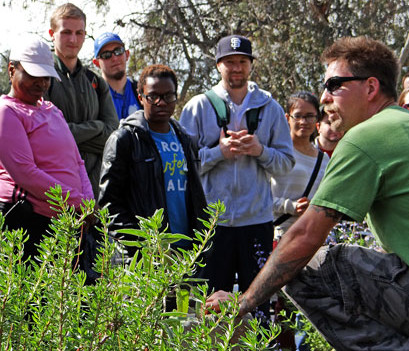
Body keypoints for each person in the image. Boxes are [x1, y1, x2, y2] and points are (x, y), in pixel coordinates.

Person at [207, 36, 409, 350]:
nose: (324, 97)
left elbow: (306, 236)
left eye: (334, 84)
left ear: (371, 88)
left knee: (306, 263)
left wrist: (245, 302)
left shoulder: (367, 136)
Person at [180, 34, 295, 320]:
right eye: (229, 62)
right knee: (205, 308)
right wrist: (218, 152)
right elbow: (182, 167)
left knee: (257, 308)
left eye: (242, 61)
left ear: (251, 65)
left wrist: (259, 150)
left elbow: (286, 164)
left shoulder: (270, 108)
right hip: (211, 225)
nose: (236, 68)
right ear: (218, 65)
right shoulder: (197, 107)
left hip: (255, 223)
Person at [98, 64, 207, 258]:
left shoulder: (183, 138)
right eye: (153, 96)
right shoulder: (124, 139)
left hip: (186, 253)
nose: (161, 102)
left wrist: (201, 243)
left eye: (168, 96)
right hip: (147, 258)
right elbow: (109, 204)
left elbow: (196, 195)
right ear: (141, 98)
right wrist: (138, 248)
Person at [0, 38, 94, 260]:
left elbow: (77, 161)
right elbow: (25, 173)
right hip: (28, 223)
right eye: (33, 75)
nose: (41, 83)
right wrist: (77, 202)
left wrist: (88, 202)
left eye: (46, 77)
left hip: (67, 221)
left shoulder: (52, 110)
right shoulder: (7, 112)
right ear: (12, 70)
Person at [45, 3, 119, 199]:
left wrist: (70, 135)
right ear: (52, 33)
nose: (73, 39)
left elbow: (112, 136)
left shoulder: (96, 82)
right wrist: (96, 127)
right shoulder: (42, 79)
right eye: (66, 32)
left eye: (79, 33)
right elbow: (46, 138)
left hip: (96, 190)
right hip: (55, 191)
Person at [272, 91, 329, 240]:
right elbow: (258, 196)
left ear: (317, 120)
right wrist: (290, 206)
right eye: (298, 116)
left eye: (309, 116)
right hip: (276, 236)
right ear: (287, 118)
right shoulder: (275, 153)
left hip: (309, 238)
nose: (304, 122)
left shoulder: (324, 159)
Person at [93, 32, 142, 120]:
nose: (114, 58)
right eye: (106, 55)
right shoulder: (93, 97)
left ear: (126, 55)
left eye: (118, 51)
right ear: (97, 63)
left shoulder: (142, 91)